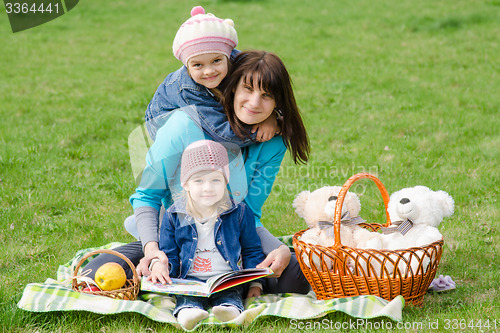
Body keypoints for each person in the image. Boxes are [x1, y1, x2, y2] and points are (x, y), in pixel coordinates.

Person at [84, 50, 311, 295]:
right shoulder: (182, 126)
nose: (255, 103)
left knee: (296, 276)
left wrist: (278, 250)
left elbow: (249, 212)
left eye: (267, 96)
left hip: (230, 238)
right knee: (95, 272)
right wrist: (152, 250)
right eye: (248, 89)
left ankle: (236, 279)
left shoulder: (272, 143)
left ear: (279, 102)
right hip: (175, 236)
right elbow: (147, 196)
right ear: (233, 88)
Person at [149, 140, 266, 329]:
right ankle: (189, 313)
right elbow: (169, 253)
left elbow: (252, 250)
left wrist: (256, 284)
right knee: (187, 298)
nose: (208, 187)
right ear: (186, 184)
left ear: (226, 182)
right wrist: (161, 267)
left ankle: (228, 311)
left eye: (215, 180)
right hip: (189, 280)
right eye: (199, 180)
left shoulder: (240, 212)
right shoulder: (173, 216)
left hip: (226, 278)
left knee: (231, 295)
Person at [145, 6, 278, 144]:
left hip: (210, 110)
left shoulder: (240, 62)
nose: (209, 71)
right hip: (166, 126)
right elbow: (224, 134)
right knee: (210, 142)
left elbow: (269, 85)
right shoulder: (188, 89)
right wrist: (262, 128)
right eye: (198, 65)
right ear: (187, 65)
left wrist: (272, 115)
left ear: (227, 55)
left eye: (216, 61)